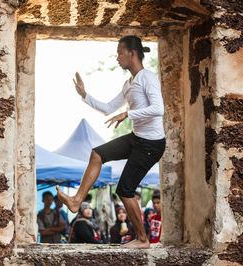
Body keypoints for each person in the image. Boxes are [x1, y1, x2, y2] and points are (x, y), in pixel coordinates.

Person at [57, 35, 166, 249]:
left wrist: (128, 114)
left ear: (132, 53)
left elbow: (158, 109)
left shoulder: (148, 78)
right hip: (137, 139)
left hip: (152, 144)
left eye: (120, 52)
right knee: (97, 154)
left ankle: (142, 240)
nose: (117, 57)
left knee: (125, 189)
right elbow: (108, 108)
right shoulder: (129, 84)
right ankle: (77, 200)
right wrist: (85, 95)